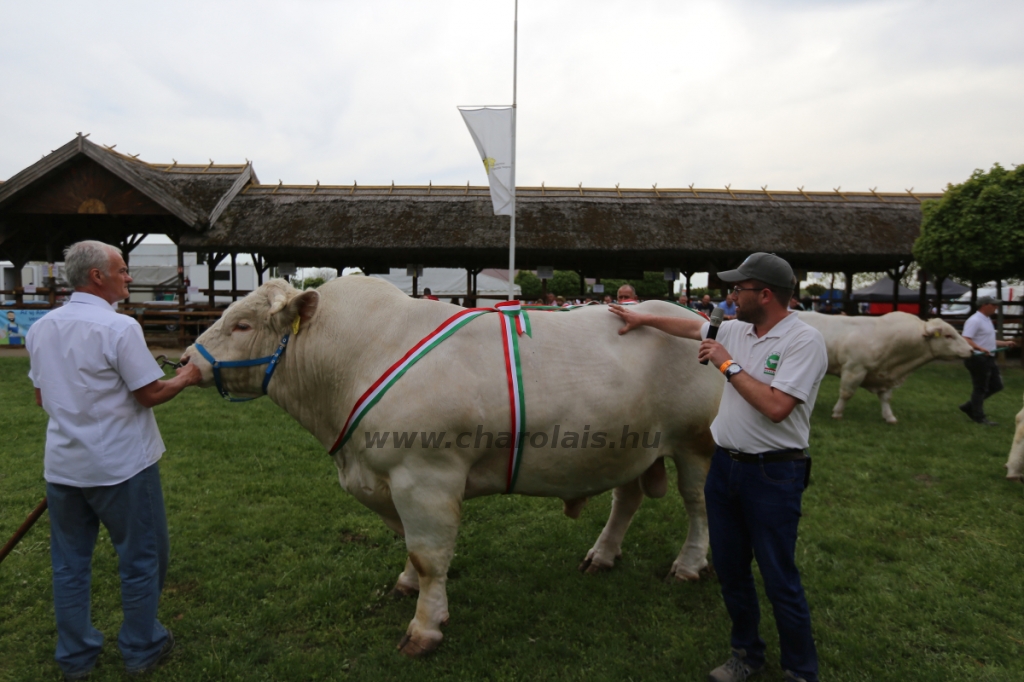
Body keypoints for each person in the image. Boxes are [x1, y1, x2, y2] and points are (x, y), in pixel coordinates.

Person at [609, 252, 826, 682]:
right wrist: (645, 320)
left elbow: (777, 407)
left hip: (773, 475)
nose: (731, 296)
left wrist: (726, 363)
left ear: (764, 294)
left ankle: (801, 670)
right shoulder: (736, 327)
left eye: (738, 289)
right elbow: (692, 326)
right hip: (725, 468)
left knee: (779, 576)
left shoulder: (803, 341)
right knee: (731, 571)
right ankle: (746, 654)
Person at [26, 240, 202, 680]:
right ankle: (143, 647)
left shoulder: (41, 327)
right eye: (122, 269)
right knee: (142, 559)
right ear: (98, 277)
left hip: (65, 468)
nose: (128, 276)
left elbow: (40, 396)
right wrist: (185, 377)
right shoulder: (120, 328)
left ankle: (75, 655)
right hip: (121, 467)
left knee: (69, 564)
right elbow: (150, 392)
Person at [959, 296, 1016, 425]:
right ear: (984, 305)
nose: (996, 307)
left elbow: (987, 340)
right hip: (977, 358)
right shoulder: (975, 320)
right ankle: (979, 417)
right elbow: (966, 338)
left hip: (988, 357)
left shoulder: (987, 320)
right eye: (994, 305)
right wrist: (980, 348)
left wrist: (1004, 343)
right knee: (980, 388)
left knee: (997, 385)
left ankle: (969, 406)